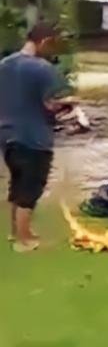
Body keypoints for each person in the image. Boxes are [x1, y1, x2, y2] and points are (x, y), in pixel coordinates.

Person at [0, 22, 75, 252]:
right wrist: (70, 104)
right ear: (43, 41)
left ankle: (17, 233)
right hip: (34, 136)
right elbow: (50, 104)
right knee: (30, 188)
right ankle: (24, 241)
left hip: (6, 134)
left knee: (17, 183)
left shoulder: (4, 64)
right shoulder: (42, 69)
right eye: (51, 43)